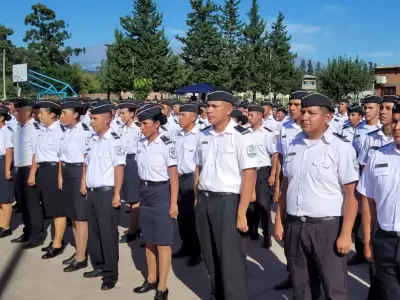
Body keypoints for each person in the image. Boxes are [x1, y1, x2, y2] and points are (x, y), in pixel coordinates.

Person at [274, 93, 359, 300]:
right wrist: (279, 220)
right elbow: (286, 184)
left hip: (326, 228)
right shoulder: (294, 144)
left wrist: (346, 233)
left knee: (333, 287)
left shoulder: (341, 148)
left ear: (328, 117)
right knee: (301, 285)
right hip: (295, 225)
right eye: (303, 112)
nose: (304, 117)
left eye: (311, 113)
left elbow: (352, 195)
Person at [194, 88, 258, 300]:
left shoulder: (241, 136)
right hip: (205, 200)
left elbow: (249, 175)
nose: (209, 110)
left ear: (229, 109)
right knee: (210, 255)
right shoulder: (203, 134)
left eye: (214, 106)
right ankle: (217, 294)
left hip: (228, 202)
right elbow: (199, 168)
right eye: (207, 106)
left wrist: (241, 212)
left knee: (231, 262)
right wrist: (196, 197)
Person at [133, 104, 179, 300]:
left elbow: (174, 176)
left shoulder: (166, 144)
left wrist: (173, 202)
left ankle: (162, 286)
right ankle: (151, 278)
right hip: (145, 191)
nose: (141, 127)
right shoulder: (141, 143)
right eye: (140, 123)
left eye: (145, 123)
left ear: (157, 124)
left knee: (163, 242)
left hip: (161, 192)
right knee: (149, 239)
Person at [357, 102, 400, 300]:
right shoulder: (377, 156)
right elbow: (368, 202)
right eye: (396, 121)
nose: (397, 127)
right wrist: (367, 241)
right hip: (385, 239)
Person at [83, 100, 126, 290]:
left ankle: (110, 273)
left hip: (107, 193)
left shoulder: (115, 140)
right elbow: (87, 163)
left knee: (108, 234)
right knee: (94, 232)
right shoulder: (93, 139)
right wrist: (84, 183)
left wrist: (117, 194)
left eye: (94, 118)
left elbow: (119, 168)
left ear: (107, 119)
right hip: (92, 192)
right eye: (91, 118)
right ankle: (98, 265)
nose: (91, 121)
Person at [273, 89, 308, 291]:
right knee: (289, 237)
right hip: (288, 183)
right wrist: (276, 183)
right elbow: (280, 155)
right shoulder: (284, 127)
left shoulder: (313, 130)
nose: (291, 108)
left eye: (296, 104)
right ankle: (292, 275)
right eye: (290, 104)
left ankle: (312, 279)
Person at [59, 100, 92, 272]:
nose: (61, 116)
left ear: (76, 115)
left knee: (80, 217)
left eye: (65, 113)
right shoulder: (67, 131)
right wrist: (60, 175)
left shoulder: (83, 131)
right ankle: (78, 251)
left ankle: (81, 257)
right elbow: (62, 156)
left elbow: (87, 158)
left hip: (79, 172)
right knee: (72, 215)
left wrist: (83, 180)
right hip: (67, 173)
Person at [31, 101, 66, 259]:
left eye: (42, 113)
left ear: (52, 114)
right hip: (43, 169)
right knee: (49, 207)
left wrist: (59, 176)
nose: (39, 115)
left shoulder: (58, 131)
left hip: (53, 170)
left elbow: (61, 157)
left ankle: (58, 243)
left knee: (57, 209)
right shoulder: (43, 130)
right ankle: (56, 239)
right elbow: (37, 154)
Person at [11, 99, 44, 249]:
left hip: (29, 169)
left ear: (27, 112)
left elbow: (36, 153)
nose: (15, 113)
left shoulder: (33, 129)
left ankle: (37, 235)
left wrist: (32, 174)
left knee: (32, 205)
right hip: (19, 169)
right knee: (23, 204)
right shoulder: (19, 128)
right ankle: (27, 231)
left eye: (18, 111)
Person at [172, 103, 202, 267]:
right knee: (181, 216)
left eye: (183, 115)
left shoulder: (199, 136)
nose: (179, 117)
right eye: (179, 114)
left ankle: (196, 252)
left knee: (192, 217)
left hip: (191, 179)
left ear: (193, 117)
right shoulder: (178, 135)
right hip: (178, 177)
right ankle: (186, 246)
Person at [246, 105, 278, 248]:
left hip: (262, 171)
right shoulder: (244, 132)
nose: (249, 117)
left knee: (263, 205)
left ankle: (267, 235)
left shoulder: (267, 133)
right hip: (248, 171)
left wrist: (272, 174)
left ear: (260, 116)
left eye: (252, 115)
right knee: (250, 205)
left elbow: (275, 154)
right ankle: (252, 231)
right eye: (248, 114)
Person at [117, 101, 142, 243]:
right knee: (127, 196)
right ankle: (135, 225)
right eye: (120, 113)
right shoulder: (121, 128)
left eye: (123, 113)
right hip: (123, 161)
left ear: (132, 114)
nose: (120, 116)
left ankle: (134, 229)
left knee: (134, 198)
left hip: (133, 162)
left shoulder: (137, 129)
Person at [358, 95, 397, 167]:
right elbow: (363, 166)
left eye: (388, 108)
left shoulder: (398, 138)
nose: (382, 112)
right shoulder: (371, 137)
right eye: (381, 108)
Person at [0, 107, 14, 238]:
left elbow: (9, 150)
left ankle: (6, 226)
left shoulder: (6, 131)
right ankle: (1, 223)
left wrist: (7, 168)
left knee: (5, 198)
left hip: (3, 162)